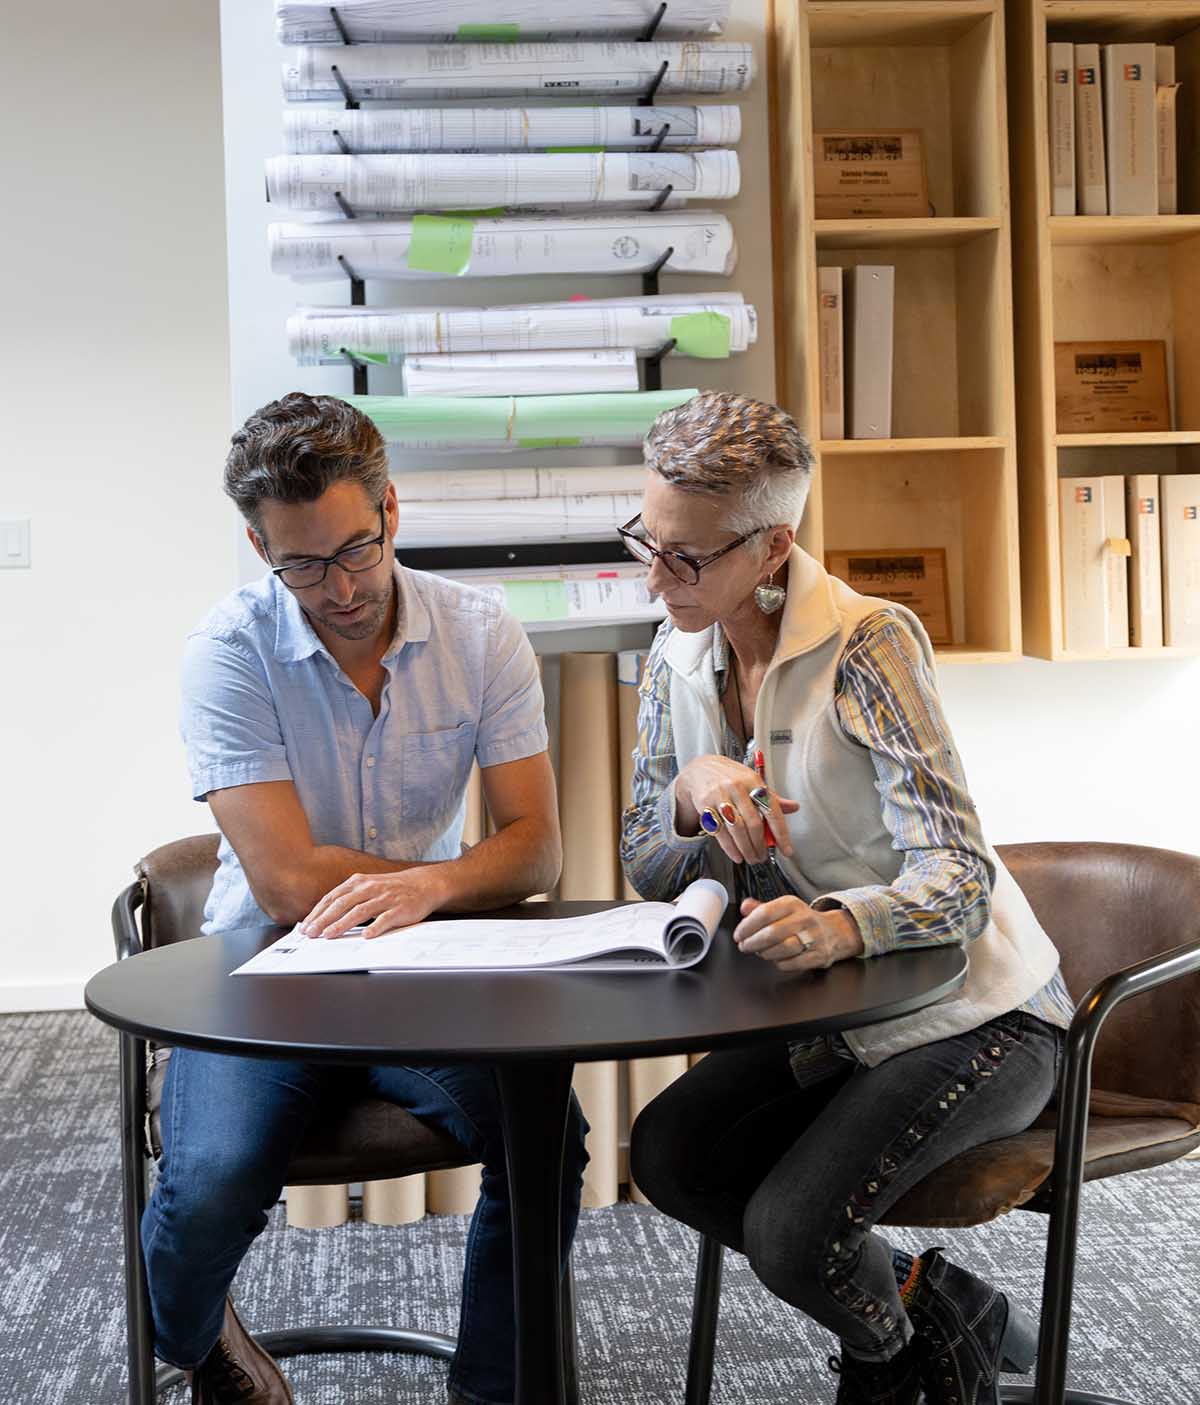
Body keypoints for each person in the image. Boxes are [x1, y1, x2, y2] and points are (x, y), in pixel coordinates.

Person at [620, 391, 1073, 1405]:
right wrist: (692, 793)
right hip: (830, 1020)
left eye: (685, 556)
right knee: (670, 1151)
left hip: (979, 1016)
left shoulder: (870, 645)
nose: (656, 576)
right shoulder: (674, 652)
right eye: (647, 539)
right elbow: (645, 868)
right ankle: (940, 1313)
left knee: (793, 1231)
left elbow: (959, 879)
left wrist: (836, 926)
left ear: (772, 546)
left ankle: (909, 1363)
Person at [143, 392, 588, 1405]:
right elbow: (288, 882)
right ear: (259, 543)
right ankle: (199, 1332)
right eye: (300, 563)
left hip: (418, 957)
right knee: (209, 1183)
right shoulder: (229, 649)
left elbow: (535, 850)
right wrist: (446, 872)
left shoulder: (481, 636)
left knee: (546, 1135)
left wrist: (434, 883)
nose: (337, 587)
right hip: (264, 963)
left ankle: (493, 1393)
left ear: (394, 512)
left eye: (354, 550)